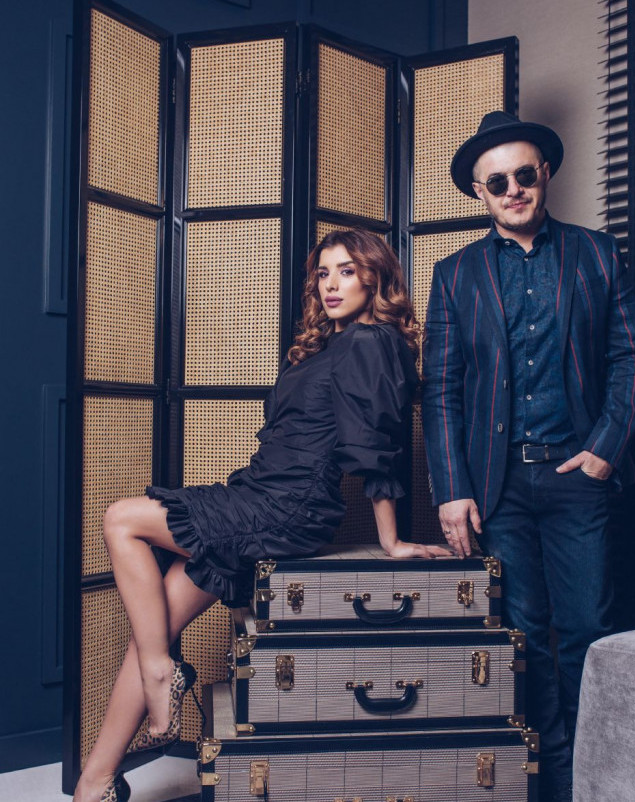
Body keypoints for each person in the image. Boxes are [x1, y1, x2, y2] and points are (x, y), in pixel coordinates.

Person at [74, 228, 450, 802]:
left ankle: (160, 673)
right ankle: (96, 782)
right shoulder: (325, 346)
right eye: (323, 273)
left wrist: (392, 542)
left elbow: (375, 444)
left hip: (287, 509)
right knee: (155, 625)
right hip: (257, 493)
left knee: (122, 519)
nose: (331, 285)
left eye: (347, 271)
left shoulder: (371, 341)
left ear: (376, 277)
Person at [421, 111, 635, 802]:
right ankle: (544, 781)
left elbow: (630, 357)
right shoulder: (454, 275)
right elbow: (440, 389)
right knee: (521, 637)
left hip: (576, 473)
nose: (513, 189)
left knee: (586, 630)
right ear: (479, 193)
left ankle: (591, 777)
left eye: (524, 174)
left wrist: (604, 451)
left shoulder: (598, 253)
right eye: (498, 182)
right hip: (496, 486)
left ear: (544, 174)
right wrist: (451, 488)